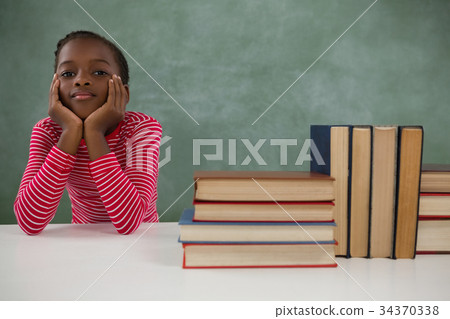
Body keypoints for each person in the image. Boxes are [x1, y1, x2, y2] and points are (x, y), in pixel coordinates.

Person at [14, 30, 162, 235]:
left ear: (124, 93)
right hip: (84, 239)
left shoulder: (142, 129)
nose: (81, 80)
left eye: (99, 72)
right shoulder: (47, 131)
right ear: (54, 88)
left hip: (141, 239)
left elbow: (129, 222)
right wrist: (70, 132)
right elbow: (29, 222)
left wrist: (94, 132)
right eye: (68, 74)